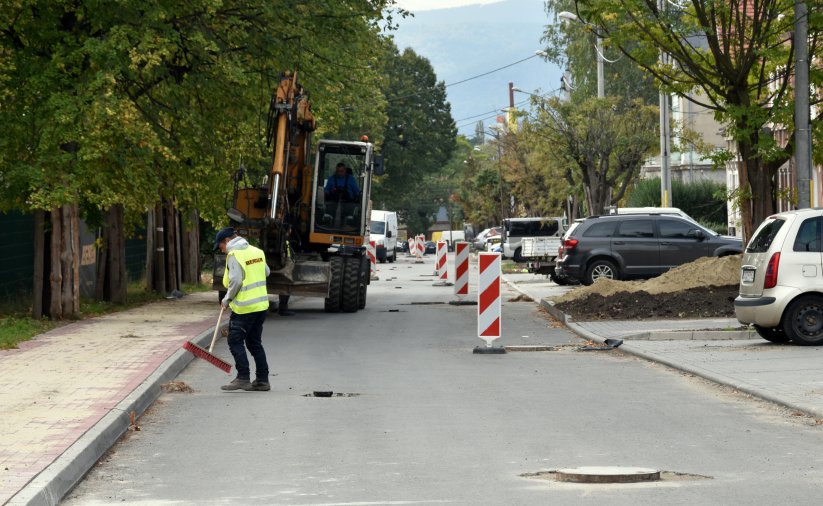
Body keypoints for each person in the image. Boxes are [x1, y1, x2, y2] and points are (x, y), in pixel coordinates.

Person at [215, 227, 271, 392]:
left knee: (234, 340)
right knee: (254, 343)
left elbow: (236, 281)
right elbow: (266, 272)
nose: (222, 250)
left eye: (221, 247)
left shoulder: (235, 255)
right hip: (261, 306)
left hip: (245, 307)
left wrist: (227, 299)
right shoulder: (257, 251)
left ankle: (243, 378)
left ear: (226, 241)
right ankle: (262, 380)